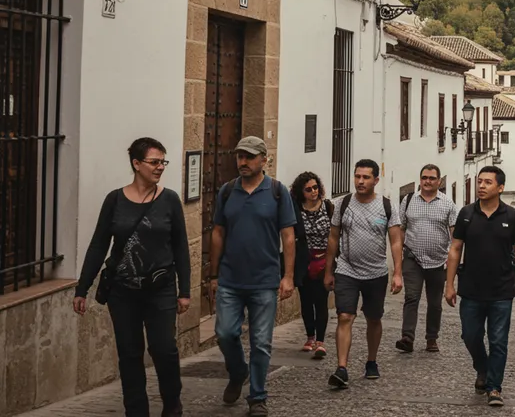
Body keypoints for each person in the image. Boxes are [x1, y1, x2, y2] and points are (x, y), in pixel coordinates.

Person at [74, 137, 190, 417]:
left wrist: (184, 291)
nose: (160, 167)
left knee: (164, 349)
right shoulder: (114, 200)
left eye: (163, 162)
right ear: (136, 164)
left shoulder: (170, 200)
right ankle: (136, 411)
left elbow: (181, 247)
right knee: (129, 354)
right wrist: (82, 288)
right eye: (154, 162)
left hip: (160, 288)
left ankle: (172, 404)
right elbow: (99, 244)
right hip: (123, 292)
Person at [209, 136, 296, 416]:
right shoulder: (227, 191)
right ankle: (238, 372)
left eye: (249, 156)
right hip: (230, 280)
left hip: (264, 281)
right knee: (225, 333)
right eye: (240, 156)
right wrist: (213, 275)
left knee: (261, 342)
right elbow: (218, 232)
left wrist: (288, 276)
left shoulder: (278, 192)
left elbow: (288, 236)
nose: (243, 162)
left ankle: (257, 397)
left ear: (264, 160)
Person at [445, 166, 515, 407]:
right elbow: (455, 249)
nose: (481, 186)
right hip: (471, 289)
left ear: (500, 188)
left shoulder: (511, 216)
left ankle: (494, 387)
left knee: (498, 341)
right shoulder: (466, 214)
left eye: (488, 182)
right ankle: (482, 368)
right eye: (480, 181)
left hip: (501, 290)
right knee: (470, 336)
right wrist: (449, 284)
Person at [325, 159, 402, 389]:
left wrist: (397, 273)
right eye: (357, 176)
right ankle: (342, 368)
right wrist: (329, 271)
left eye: (366, 177)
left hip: (376, 272)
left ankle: (371, 360)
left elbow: (395, 241)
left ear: (375, 180)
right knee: (344, 316)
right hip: (346, 269)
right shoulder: (343, 204)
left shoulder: (386, 206)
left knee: (373, 318)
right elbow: (333, 237)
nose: (360, 181)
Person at [395, 163, 458, 353]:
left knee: (434, 303)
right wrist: (400, 256)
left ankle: (432, 338)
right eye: (424, 178)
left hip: (438, 261)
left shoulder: (448, 204)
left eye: (432, 178)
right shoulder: (408, 200)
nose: (427, 181)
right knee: (411, 297)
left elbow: (454, 234)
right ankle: (407, 337)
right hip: (412, 258)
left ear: (439, 181)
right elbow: (401, 229)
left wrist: (452, 258)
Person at [291, 172, 332, 360]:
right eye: (308, 189)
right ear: (301, 192)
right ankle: (310, 337)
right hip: (304, 261)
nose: (313, 191)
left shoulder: (328, 207)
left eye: (315, 187)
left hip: (324, 260)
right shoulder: (296, 210)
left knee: (321, 301)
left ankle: (320, 341)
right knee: (306, 301)